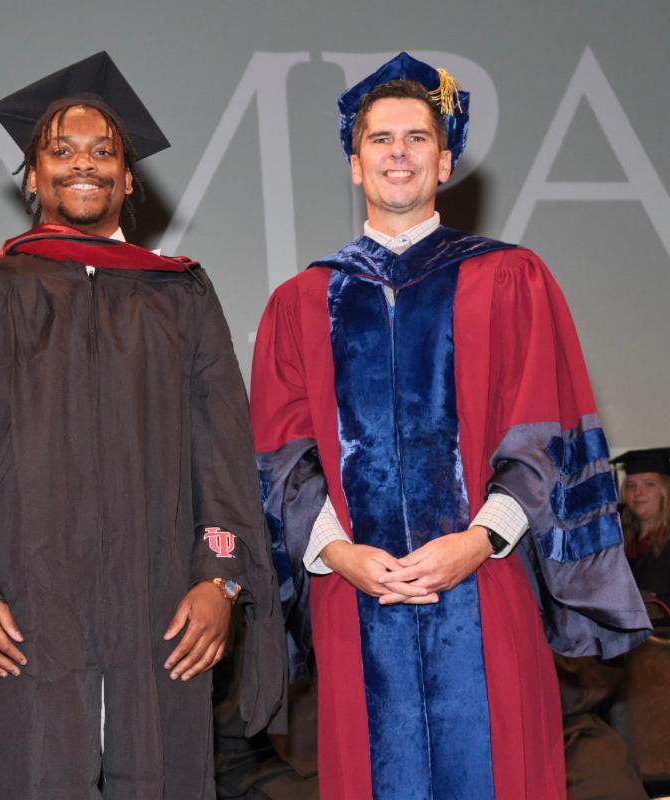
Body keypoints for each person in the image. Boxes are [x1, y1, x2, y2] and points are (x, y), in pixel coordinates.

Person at [250, 52, 651, 799]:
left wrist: (479, 540)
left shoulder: (511, 278)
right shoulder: (301, 301)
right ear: (353, 163)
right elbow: (280, 454)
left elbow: (548, 430)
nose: (397, 153)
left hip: (486, 580)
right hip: (353, 593)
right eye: (379, 139)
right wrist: (338, 552)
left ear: (444, 163)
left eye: (415, 139)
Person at [0, 51, 285, 799]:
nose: (85, 166)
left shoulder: (179, 298)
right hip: (17, 616)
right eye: (63, 152)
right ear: (33, 177)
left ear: (130, 177)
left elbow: (221, 455)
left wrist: (219, 580)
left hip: (158, 615)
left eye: (104, 153)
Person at [614, 447, 670, 606]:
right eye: (631, 485)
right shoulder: (617, 539)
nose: (638, 492)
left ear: (665, 490)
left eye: (649, 484)